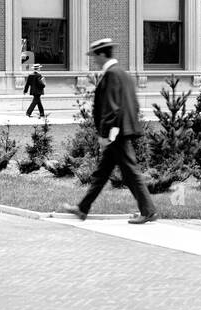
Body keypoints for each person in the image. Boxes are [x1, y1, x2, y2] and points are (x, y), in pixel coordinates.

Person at [63, 38, 158, 224]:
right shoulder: (123, 74)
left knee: (130, 171)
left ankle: (148, 211)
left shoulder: (112, 74)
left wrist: (106, 134)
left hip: (117, 133)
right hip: (121, 130)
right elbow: (134, 104)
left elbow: (113, 107)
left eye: (94, 56)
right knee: (103, 172)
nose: (94, 60)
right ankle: (83, 208)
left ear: (101, 54)